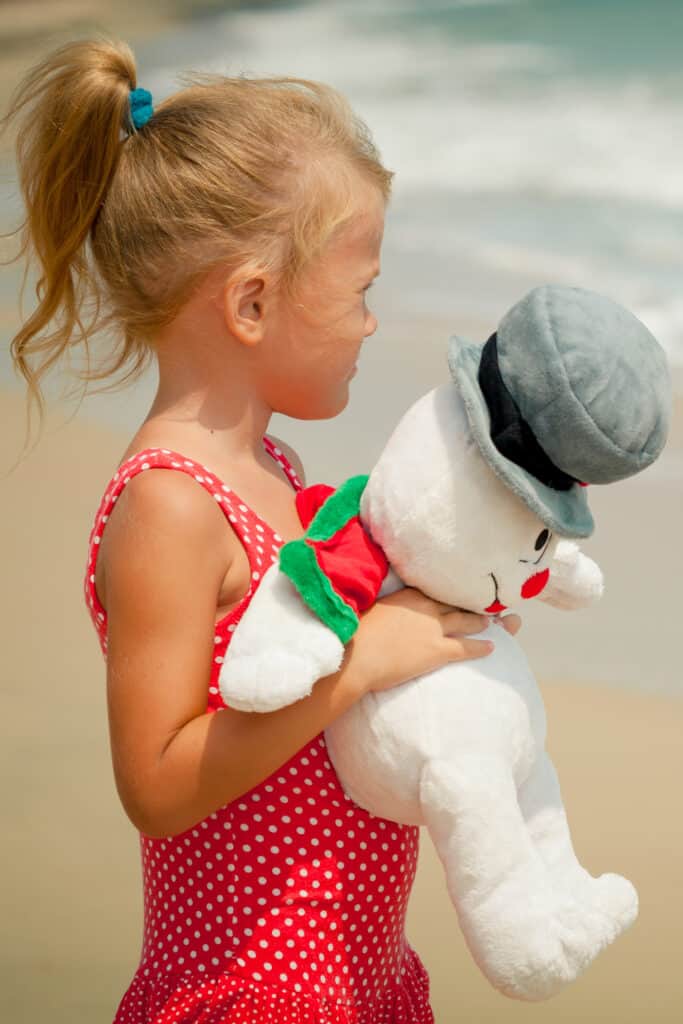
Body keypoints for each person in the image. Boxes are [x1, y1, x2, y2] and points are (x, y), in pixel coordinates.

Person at [6, 38, 520, 1024]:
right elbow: (156, 783)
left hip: (358, 977)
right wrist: (360, 666)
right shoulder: (169, 503)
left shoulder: (278, 475)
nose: (372, 323)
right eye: (360, 289)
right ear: (250, 302)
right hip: (256, 995)